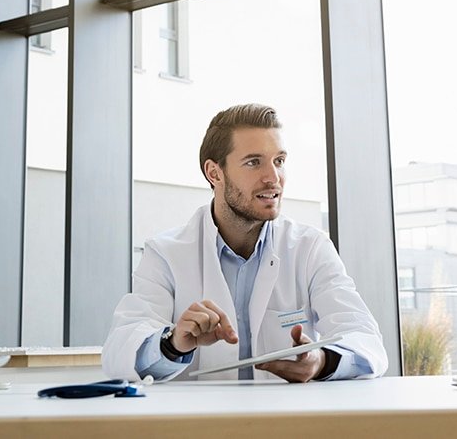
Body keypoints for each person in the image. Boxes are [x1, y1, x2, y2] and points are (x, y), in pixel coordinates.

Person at [102, 103, 387, 382]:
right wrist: (172, 343)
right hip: (200, 427)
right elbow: (119, 352)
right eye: (254, 162)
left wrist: (321, 362)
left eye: (279, 161)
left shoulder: (310, 248)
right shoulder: (165, 253)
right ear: (215, 173)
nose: (273, 178)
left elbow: (365, 340)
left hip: (289, 425)